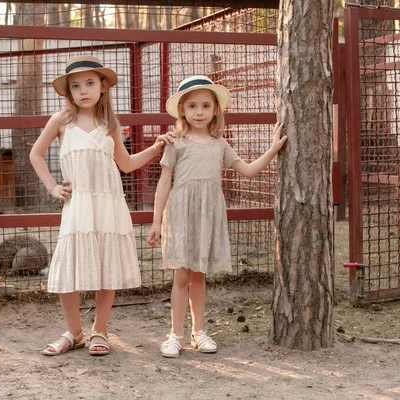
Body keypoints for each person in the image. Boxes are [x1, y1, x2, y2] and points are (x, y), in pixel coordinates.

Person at [29, 55, 175, 356]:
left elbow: (127, 163)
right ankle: (74, 332)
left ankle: (99, 330)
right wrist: (52, 186)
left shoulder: (110, 123)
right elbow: (36, 154)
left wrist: (156, 147)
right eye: (76, 86)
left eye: (90, 83)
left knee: (106, 265)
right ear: (68, 92)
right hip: (79, 204)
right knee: (70, 266)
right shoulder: (61, 121)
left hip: (108, 204)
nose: (84, 90)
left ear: (103, 86)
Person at [147, 75, 287, 358]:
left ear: (215, 110)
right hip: (181, 213)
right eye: (193, 106)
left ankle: (199, 332)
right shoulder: (177, 142)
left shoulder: (219, 143)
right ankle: (175, 335)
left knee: (198, 276)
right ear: (182, 111)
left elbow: (247, 170)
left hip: (207, 214)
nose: (199, 112)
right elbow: (164, 182)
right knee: (181, 276)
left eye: (205, 106)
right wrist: (155, 221)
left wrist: (273, 149)